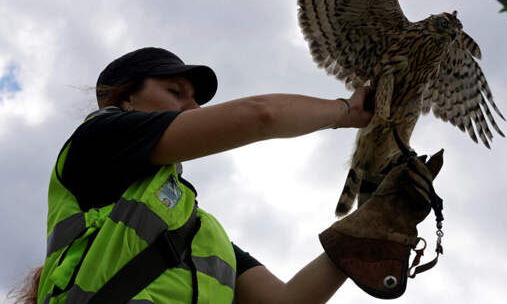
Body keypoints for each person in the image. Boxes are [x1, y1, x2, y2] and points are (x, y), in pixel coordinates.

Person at [16, 47, 375, 304]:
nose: (194, 107)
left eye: (195, 101)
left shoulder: (203, 232)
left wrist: (373, 224)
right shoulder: (98, 140)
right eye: (176, 92)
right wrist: (347, 110)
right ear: (125, 100)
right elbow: (261, 114)